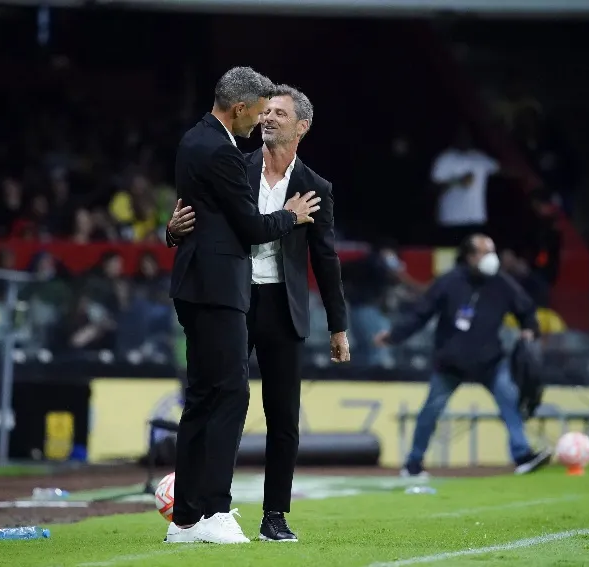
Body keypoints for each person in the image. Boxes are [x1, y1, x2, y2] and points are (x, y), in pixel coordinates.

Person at [168, 85, 349, 542]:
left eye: (279, 113)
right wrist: (168, 231)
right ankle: (212, 512)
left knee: (282, 416)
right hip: (232, 298)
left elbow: (325, 260)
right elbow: (197, 217)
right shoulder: (234, 165)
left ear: (301, 126)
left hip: (282, 307)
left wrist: (338, 324)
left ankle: (275, 516)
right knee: (221, 399)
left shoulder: (317, 188)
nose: (268, 118)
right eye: (264, 111)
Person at [374, 234, 551, 477]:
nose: (491, 257)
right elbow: (421, 313)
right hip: (451, 363)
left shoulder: (502, 283)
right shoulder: (449, 282)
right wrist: (394, 335)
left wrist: (530, 329)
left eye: (492, 251)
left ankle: (522, 455)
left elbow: (526, 309)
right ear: (469, 256)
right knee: (431, 411)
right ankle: (413, 463)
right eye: (484, 252)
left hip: (490, 361)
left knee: (509, 401)